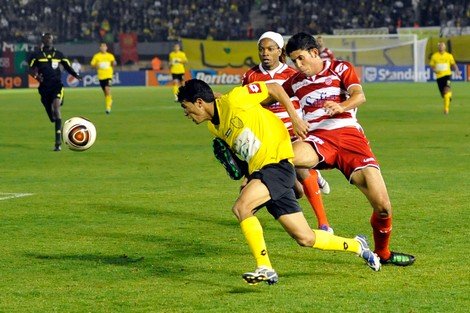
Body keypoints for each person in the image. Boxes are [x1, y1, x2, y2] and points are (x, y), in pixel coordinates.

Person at [177, 78, 381, 285]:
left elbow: (274, 88)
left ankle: (264, 267)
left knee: (242, 208)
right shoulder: (214, 128)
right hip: (261, 172)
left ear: (200, 102)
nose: (186, 114)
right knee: (305, 238)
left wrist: (294, 118)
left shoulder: (237, 99)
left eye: (186, 107)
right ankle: (357, 246)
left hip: (277, 164)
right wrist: (247, 175)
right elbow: (248, 148)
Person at [283, 32, 415, 267]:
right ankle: (300, 183)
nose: (298, 66)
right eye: (294, 61)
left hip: (350, 138)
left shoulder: (340, 68)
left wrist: (341, 106)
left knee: (383, 207)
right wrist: (292, 116)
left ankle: (382, 254)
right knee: (282, 155)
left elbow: (359, 95)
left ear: (314, 52)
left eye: (301, 59)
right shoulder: (294, 82)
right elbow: (270, 96)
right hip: (318, 139)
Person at [242, 31, 333, 232]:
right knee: (296, 190)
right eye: (261, 49)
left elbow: (304, 100)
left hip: (291, 133)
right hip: (266, 136)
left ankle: (323, 223)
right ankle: (313, 176)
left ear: (279, 51)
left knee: (300, 169)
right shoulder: (250, 76)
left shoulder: (293, 74)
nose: (265, 53)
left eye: (270, 49)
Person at [28, 33, 82, 151]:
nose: (48, 40)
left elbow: (67, 66)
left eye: (50, 38)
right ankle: (57, 123)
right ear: (43, 40)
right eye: (46, 38)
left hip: (56, 86)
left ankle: (58, 142)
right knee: (53, 117)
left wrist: (75, 75)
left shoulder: (59, 54)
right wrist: (37, 77)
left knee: (57, 108)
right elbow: (29, 69)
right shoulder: (36, 55)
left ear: (53, 40)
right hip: (44, 88)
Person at [429, 42, 461, 115]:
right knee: (444, 95)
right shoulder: (434, 56)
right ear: (438, 47)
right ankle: (448, 96)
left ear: (445, 47)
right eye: (440, 46)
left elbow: (453, 64)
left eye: (442, 46)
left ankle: (446, 109)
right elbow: (431, 65)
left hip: (447, 75)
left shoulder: (449, 56)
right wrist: (434, 70)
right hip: (439, 77)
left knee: (447, 89)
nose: (441, 47)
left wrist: (457, 70)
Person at [90, 42, 116, 114]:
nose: (103, 48)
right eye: (102, 47)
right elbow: (92, 65)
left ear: (106, 48)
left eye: (104, 47)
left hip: (109, 76)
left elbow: (114, 63)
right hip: (101, 77)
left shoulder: (110, 56)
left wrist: (114, 63)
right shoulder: (96, 56)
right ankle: (109, 100)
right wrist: (95, 66)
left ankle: (108, 108)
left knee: (107, 89)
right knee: (106, 93)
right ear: (100, 48)